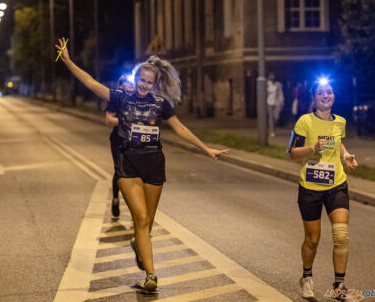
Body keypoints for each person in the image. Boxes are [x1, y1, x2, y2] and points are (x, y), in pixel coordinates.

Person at [55, 37, 228, 292]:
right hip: (128, 164)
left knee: (147, 223)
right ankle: (151, 277)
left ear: (155, 83)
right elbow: (91, 82)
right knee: (142, 219)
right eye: (142, 81)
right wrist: (68, 61)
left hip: (154, 164)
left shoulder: (161, 104)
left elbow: (180, 129)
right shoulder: (121, 98)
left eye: (150, 82)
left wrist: (206, 149)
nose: (145, 86)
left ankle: (139, 244)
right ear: (135, 80)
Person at [287, 78, 358, 302]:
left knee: (341, 236)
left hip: (336, 184)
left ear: (333, 96)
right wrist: (313, 148)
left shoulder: (340, 122)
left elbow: (338, 143)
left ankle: (339, 286)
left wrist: (345, 155)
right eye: (321, 92)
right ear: (314, 97)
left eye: (329, 91)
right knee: (313, 239)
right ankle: (306, 277)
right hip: (310, 188)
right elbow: (292, 152)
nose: (326, 95)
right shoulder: (304, 122)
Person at [105, 75, 135, 218]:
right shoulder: (116, 99)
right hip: (118, 139)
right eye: (128, 82)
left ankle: (134, 207)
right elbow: (108, 120)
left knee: (134, 173)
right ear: (121, 85)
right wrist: (125, 120)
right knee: (120, 171)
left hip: (135, 141)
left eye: (133, 82)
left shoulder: (138, 100)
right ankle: (116, 199)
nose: (131, 85)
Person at [267, 72, 284, 137]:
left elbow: (280, 93)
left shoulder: (278, 84)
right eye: (271, 76)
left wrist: (282, 101)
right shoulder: (267, 84)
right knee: (271, 117)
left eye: (273, 76)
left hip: (276, 103)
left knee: (276, 117)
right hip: (269, 102)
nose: (273, 77)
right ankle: (272, 131)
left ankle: (274, 128)